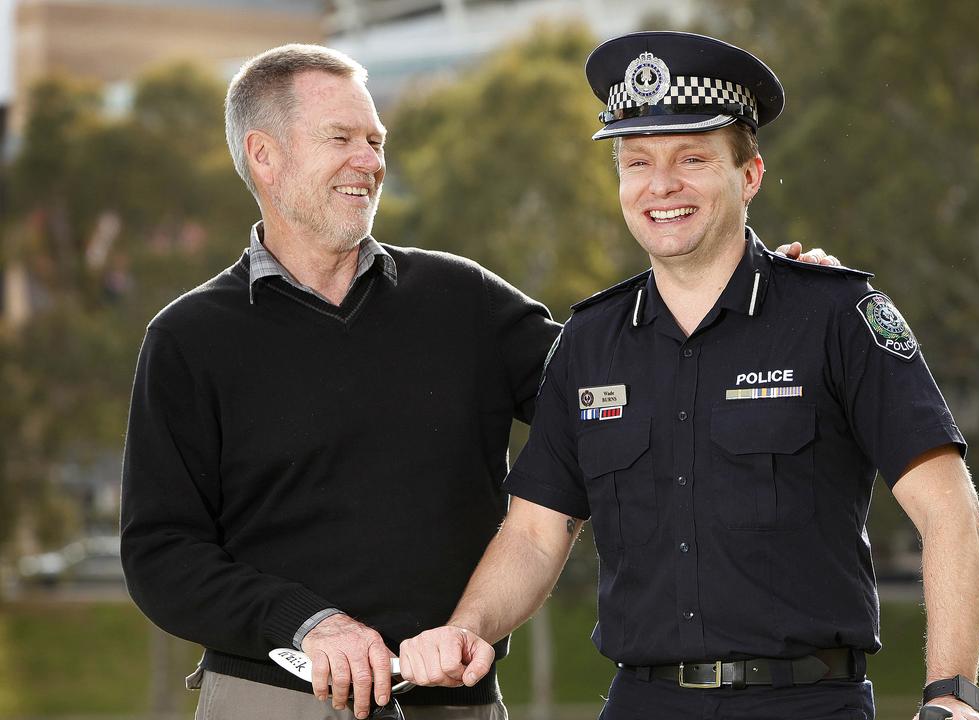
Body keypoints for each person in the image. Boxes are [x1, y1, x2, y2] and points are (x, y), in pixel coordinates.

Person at [120, 43, 834, 720]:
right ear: (264, 155)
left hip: (456, 701)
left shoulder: (463, 301)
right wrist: (307, 625)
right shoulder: (189, 339)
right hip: (272, 699)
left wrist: (759, 310)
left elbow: (629, 389)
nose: (369, 162)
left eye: (376, 141)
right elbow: (161, 554)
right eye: (343, 139)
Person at [397, 31, 979, 720]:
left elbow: (952, 515)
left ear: (750, 175)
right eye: (637, 161)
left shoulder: (838, 315)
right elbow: (534, 535)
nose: (661, 185)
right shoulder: (589, 343)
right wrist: (467, 628)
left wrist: (951, 695)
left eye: (693, 158)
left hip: (806, 705)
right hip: (641, 703)